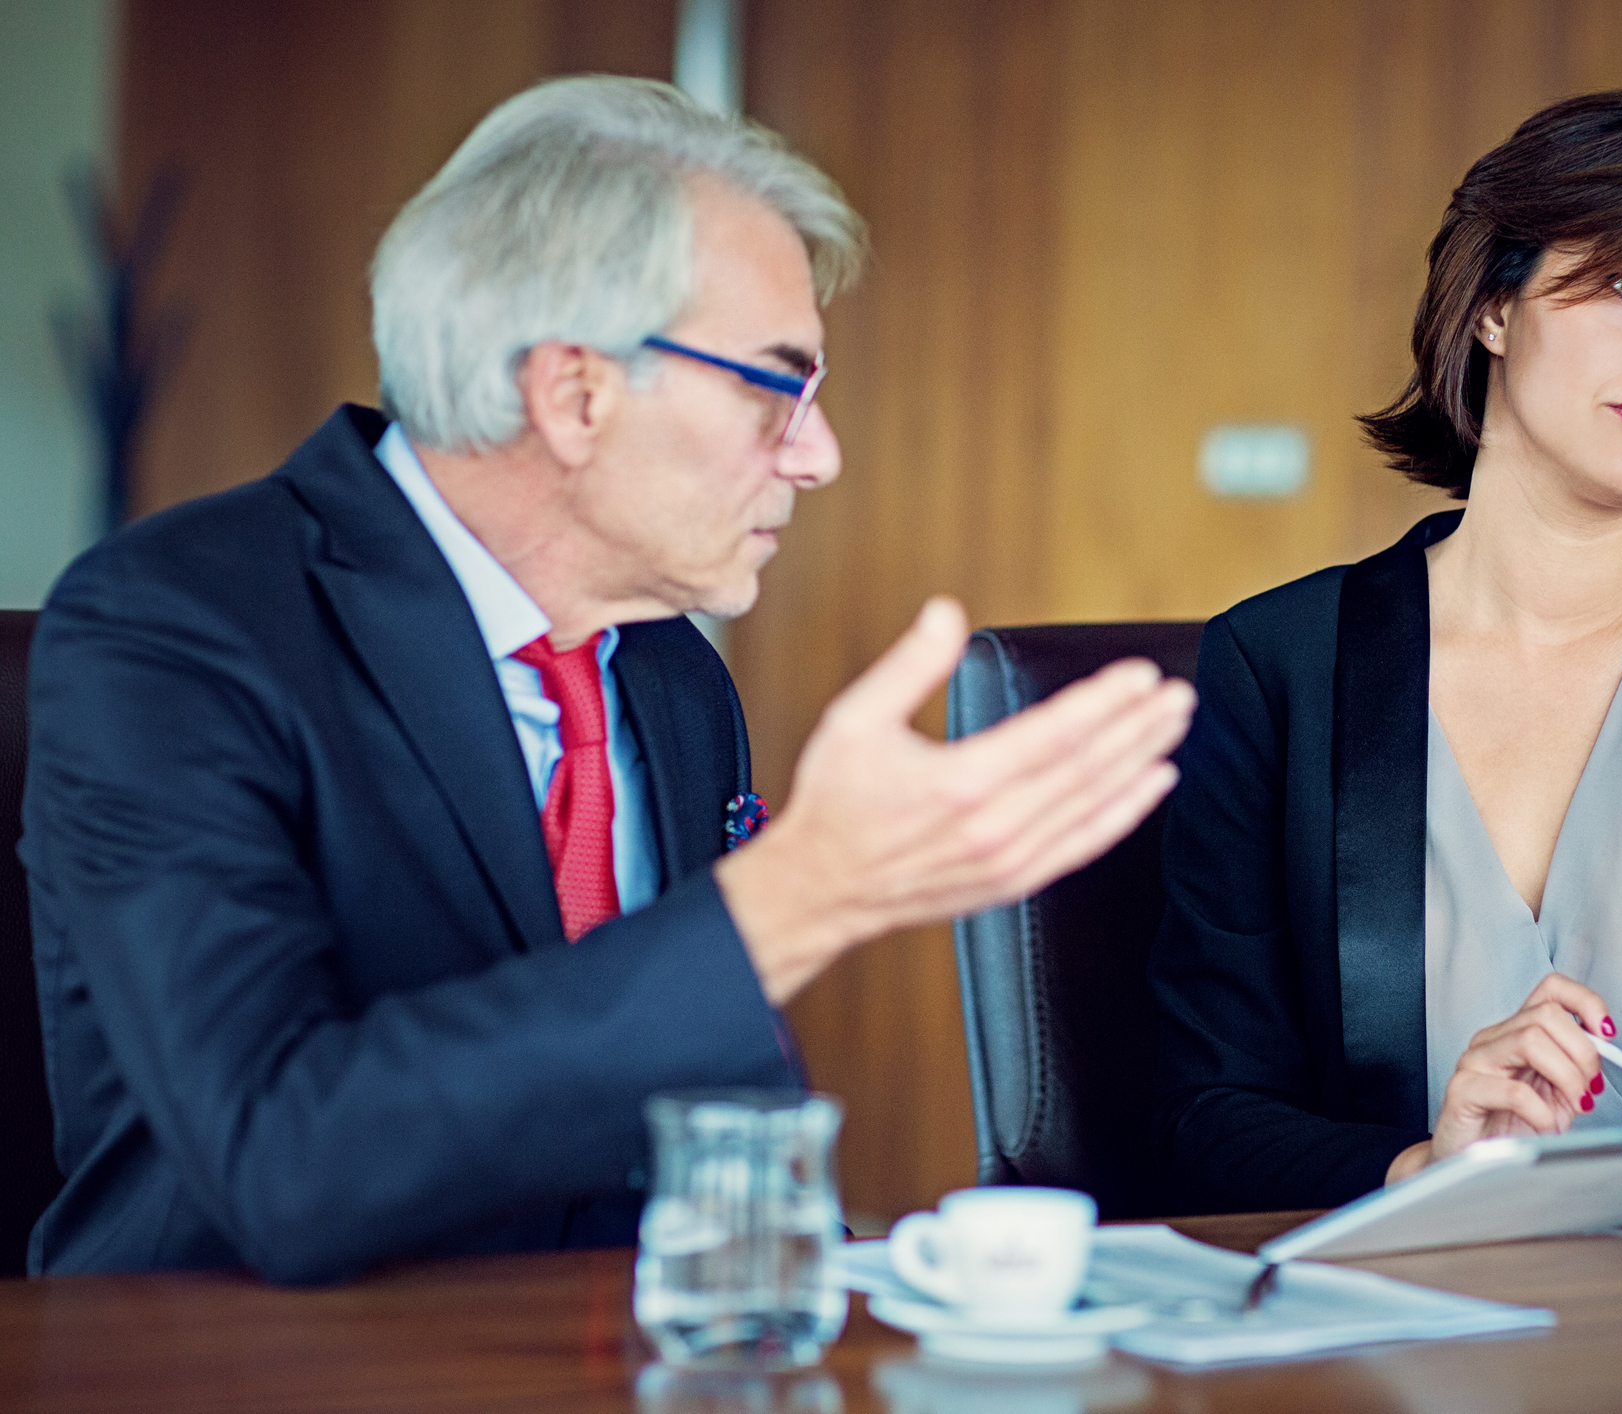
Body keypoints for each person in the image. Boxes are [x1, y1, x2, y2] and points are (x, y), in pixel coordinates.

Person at [22, 76, 1195, 1282]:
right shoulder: (173, 629)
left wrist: (885, 1289)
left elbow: (697, 1121)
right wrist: (799, 895)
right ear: (574, 392)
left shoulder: (672, 674)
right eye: (775, 386)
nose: (819, 454)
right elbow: (281, 1162)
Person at [1149, 90, 1622, 1236]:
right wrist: (1424, 1165)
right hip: (1392, 1333)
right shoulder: (1276, 663)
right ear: (1495, 306)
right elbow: (1201, 1121)